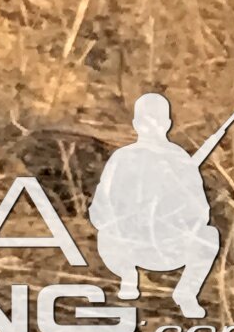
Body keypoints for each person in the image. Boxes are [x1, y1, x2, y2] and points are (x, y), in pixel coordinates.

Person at [90, 94, 222, 318]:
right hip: (169, 251)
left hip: (131, 249)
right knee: (209, 236)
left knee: (104, 235)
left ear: (135, 124)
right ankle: (186, 291)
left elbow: (99, 211)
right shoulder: (179, 159)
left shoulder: (122, 158)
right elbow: (201, 213)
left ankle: (128, 277)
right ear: (168, 124)